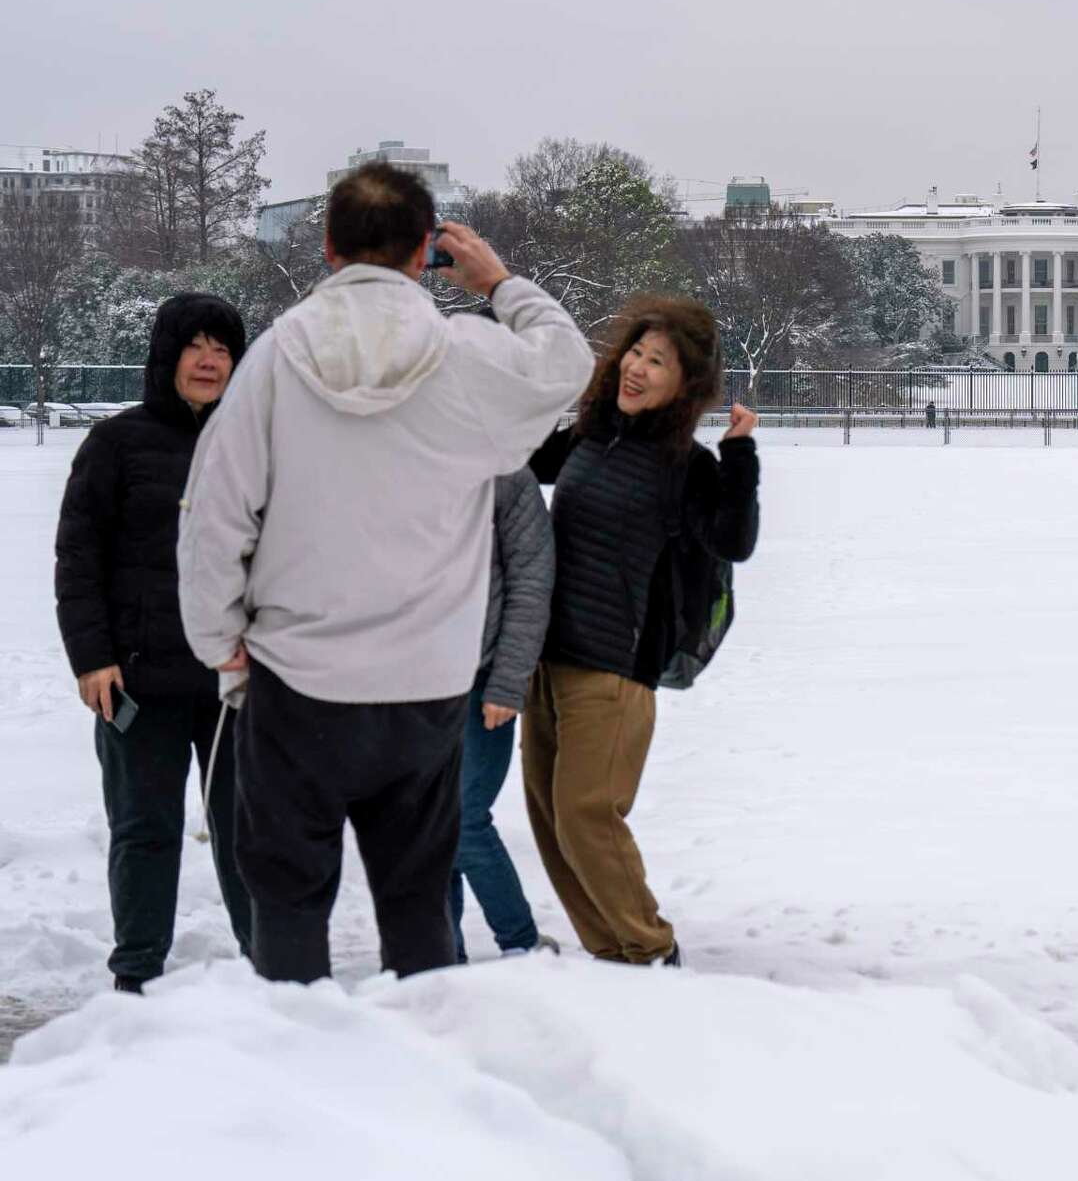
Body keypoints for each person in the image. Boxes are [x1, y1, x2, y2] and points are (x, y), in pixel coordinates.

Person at [177, 163, 593, 984]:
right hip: (427, 679)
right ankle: (427, 1078)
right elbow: (565, 363)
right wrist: (501, 282)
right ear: (422, 252)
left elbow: (214, 515)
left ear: (328, 247)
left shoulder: (272, 360)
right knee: (417, 901)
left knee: (289, 904)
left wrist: (218, 641)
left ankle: (294, 1072)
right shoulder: (467, 356)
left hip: (296, 679)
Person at [524, 296, 759, 967]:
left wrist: (739, 455)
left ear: (685, 385)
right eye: (636, 352)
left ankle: (650, 948)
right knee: (550, 823)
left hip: (615, 670)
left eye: (658, 362)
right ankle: (612, 956)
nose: (638, 368)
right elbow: (516, 456)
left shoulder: (686, 466)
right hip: (549, 659)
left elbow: (733, 539)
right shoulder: (591, 435)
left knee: (586, 815)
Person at [55, 294, 255, 994]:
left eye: (223, 349)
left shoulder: (255, 443)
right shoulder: (115, 445)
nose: (208, 360)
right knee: (145, 831)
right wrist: (91, 659)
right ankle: (135, 975)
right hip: (136, 679)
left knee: (246, 832)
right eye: (195, 346)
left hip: (235, 683)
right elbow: (78, 560)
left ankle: (268, 972)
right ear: (166, 357)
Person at [449, 466, 560, 962]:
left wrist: (508, 682)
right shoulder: (396, 452)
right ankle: (437, 950)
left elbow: (532, 579)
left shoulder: (504, 468)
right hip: (409, 684)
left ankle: (519, 942)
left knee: (463, 819)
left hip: (483, 679)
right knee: (426, 821)